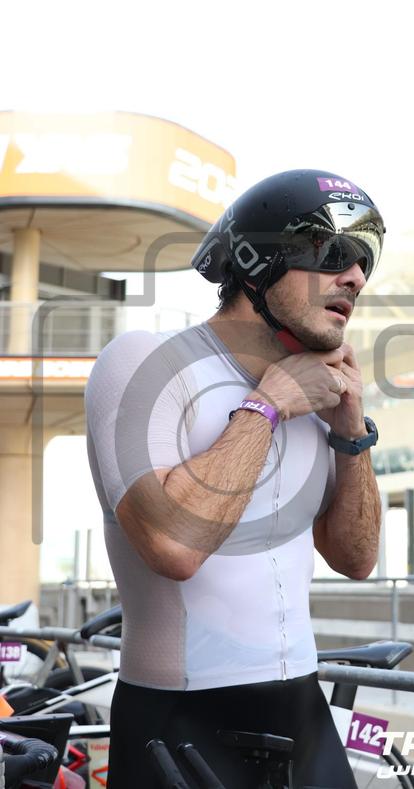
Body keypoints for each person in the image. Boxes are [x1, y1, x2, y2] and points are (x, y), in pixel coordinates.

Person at [85, 168, 385, 788]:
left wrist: (351, 430)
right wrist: (267, 405)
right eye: (334, 252)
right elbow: (172, 545)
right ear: (257, 263)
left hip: (303, 708)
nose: (356, 277)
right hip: (180, 715)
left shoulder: (319, 395)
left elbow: (356, 558)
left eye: (366, 261)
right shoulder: (144, 362)